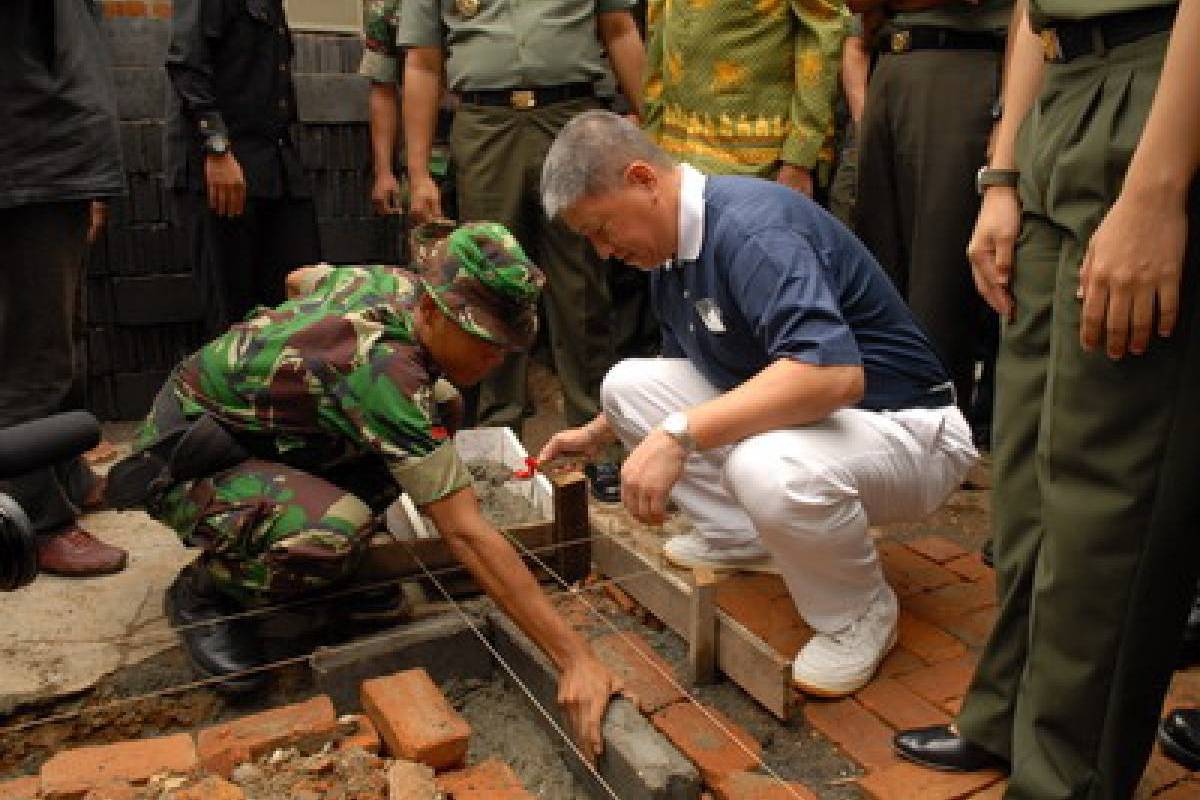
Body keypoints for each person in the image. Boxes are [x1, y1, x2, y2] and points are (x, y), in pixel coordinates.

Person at [105, 222, 618, 759]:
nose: (498, 360)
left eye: (508, 346)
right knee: (331, 533)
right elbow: (466, 535)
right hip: (187, 457)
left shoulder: (397, 286)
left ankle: (311, 551)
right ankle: (208, 591)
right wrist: (575, 659)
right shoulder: (385, 372)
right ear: (433, 313)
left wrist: (287, 366)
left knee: (440, 404)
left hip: (251, 433)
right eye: (487, 344)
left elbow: (301, 279)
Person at [537, 111, 977, 696]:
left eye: (601, 229)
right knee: (626, 387)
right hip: (835, 422)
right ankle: (741, 535)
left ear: (643, 179)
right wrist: (599, 433)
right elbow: (688, 367)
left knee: (765, 466)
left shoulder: (750, 230)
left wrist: (677, 437)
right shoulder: (670, 251)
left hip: (908, 429)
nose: (602, 250)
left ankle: (857, 615)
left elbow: (834, 375)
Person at [893, 1, 1200, 796]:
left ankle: (1066, 779)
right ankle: (1005, 715)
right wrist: (1003, 174)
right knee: (1026, 474)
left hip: (1161, 86)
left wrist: (1158, 189)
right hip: (1059, 91)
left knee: (1106, 501)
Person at [396, 0, 645, 435]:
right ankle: (499, 429)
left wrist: (649, 119)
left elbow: (620, 29)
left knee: (582, 283)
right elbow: (422, 64)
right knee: (486, 283)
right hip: (484, 123)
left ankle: (597, 430)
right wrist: (418, 173)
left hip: (570, 116)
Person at [0, 0, 128, 578]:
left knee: (67, 334)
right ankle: (34, 518)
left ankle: (66, 476)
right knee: (31, 350)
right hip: (23, 158)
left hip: (63, 159)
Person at [849, 0, 1011, 441]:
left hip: (963, 62)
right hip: (890, 58)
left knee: (938, 278)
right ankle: (883, 425)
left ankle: (934, 438)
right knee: (878, 265)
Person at [166, 0, 322, 337]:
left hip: (275, 166)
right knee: (234, 327)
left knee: (301, 312)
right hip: (223, 169)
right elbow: (187, 62)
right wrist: (217, 148)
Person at [640, 0, 846, 197]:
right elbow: (659, 31)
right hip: (673, 151)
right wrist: (651, 136)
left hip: (757, 162)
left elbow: (822, 32)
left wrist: (798, 160)